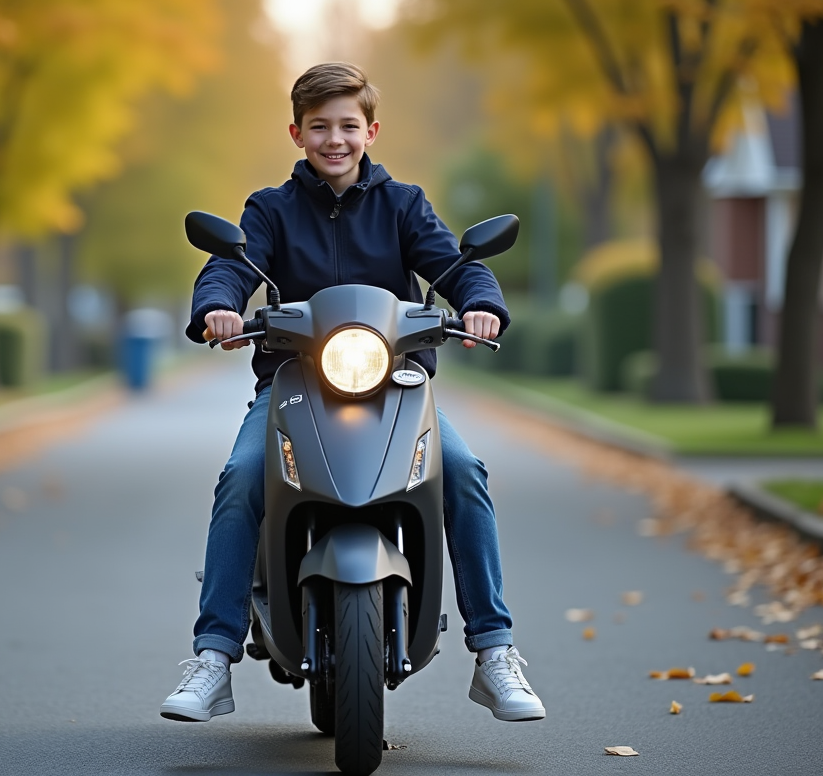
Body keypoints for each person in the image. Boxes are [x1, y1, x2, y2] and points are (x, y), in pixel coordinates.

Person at [160, 62, 545, 725]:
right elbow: (230, 263)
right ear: (296, 132)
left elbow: (456, 263)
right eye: (319, 126)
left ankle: (494, 650)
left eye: (347, 125)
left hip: (397, 386)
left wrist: (480, 305)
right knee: (241, 476)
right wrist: (216, 307)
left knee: (463, 473)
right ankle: (214, 657)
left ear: (371, 129)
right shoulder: (271, 210)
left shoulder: (404, 205)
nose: (334, 139)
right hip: (295, 385)